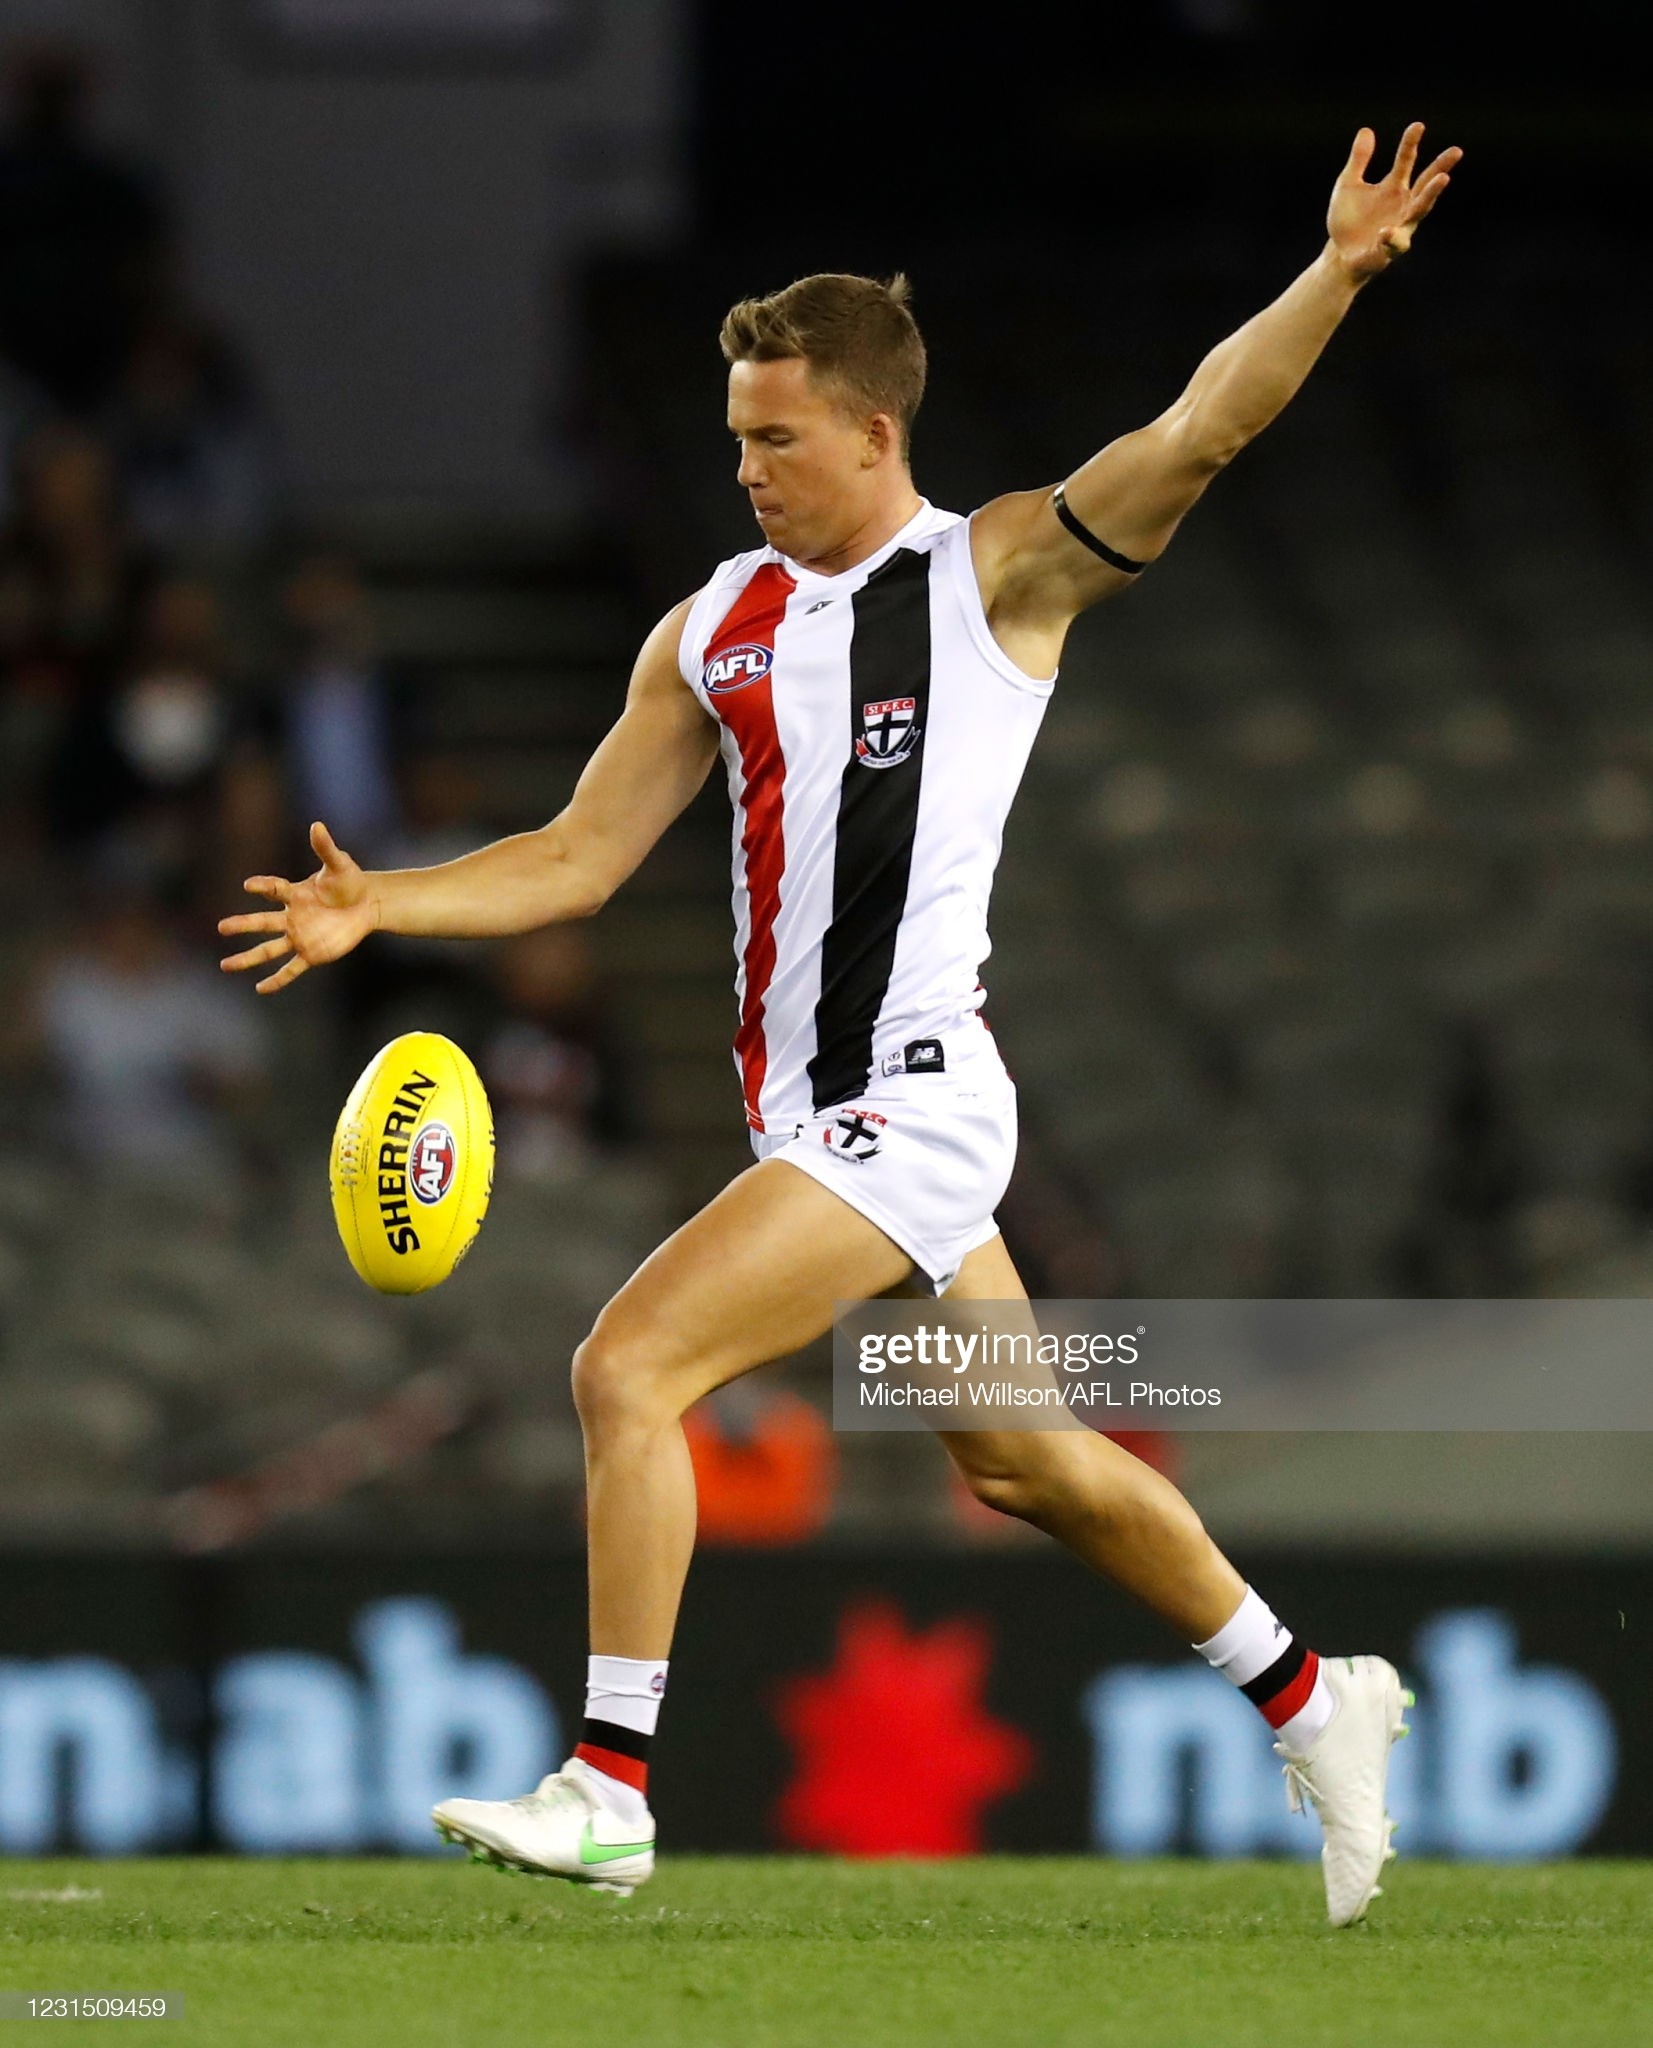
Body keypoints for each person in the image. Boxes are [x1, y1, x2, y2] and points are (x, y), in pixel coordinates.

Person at [219, 125, 1458, 1924]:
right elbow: (576, 858)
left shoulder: (996, 576)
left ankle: (610, 1787)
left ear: (878, 430)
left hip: (914, 1095)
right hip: (810, 1113)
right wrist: (382, 902)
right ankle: (1309, 1691)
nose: (747, 470)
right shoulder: (709, 625)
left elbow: (1205, 427)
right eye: (732, 438)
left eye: (777, 437)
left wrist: (1333, 274)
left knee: (624, 1371)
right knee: (1029, 1462)